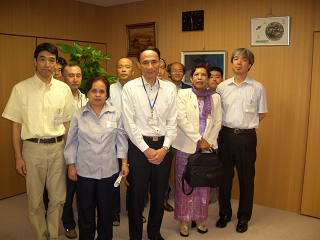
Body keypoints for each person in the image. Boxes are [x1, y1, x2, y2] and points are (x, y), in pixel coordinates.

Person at [2, 43, 76, 240]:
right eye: (42, 59)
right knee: (35, 201)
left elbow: (68, 124)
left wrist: (70, 157)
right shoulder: (21, 89)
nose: (47, 64)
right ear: (35, 61)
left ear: (56, 64)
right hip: (32, 149)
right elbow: (16, 125)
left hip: (58, 148)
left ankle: (52, 235)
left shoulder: (63, 90)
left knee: (59, 197)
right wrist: (18, 157)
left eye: (51, 60)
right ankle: (41, 236)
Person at [122, 46, 177, 240]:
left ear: (160, 63)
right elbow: (129, 124)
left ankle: (154, 233)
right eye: (145, 62)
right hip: (139, 148)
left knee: (159, 194)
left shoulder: (170, 88)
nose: (150, 66)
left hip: (163, 146)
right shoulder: (130, 88)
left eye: (154, 61)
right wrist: (146, 150)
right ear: (138, 65)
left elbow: (173, 122)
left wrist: (164, 148)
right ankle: (135, 235)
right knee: (136, 196)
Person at [64, 76, 129, 240]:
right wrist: (71, 165)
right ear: (88, 92)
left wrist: (124, 162)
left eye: (102, 91)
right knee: (85, 210)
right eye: (94, 91)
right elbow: (71, 142)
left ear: (107, 94)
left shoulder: (116, 114)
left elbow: (121, 140)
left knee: (106, 211)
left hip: (108, 171)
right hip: (84, 170)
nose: (98, 95)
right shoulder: (78, 115)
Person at [215, 48, 267, 233]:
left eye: (243, 60)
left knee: (246, 179)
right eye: (235, 59)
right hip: (226, 137)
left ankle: (244, 217)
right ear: (232, 63)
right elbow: (217, 113)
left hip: (246, 138)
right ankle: (225, 214)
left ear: (249, 64)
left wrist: (245, 126)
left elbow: (261, 113)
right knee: (224, 178)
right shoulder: (222, 87)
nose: (238, 62)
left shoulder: (257, 87)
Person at [172, 63, 222, 237]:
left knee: (203, 184)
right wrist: (199, 139)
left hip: (206, 148)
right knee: (184, 183)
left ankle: (199, 219)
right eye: (196, 75)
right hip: (187, 145)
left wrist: (207, 142)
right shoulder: (183, 94)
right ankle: (184, 220)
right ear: (191, 78)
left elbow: (217, 123)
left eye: (203, 75)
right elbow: (181, 119)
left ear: (208, 79)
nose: (200, 77)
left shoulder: (215, 97)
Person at [60, 63, 88, 238]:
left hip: (86, 152)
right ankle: (68, 223)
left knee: (84, 190)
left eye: (78, 75)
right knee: (67, 191)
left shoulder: (87, 97)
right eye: (71, 75)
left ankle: (86, 220)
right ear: (63, 77)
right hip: (66, 150)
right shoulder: (59, 99)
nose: (75, 79)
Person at [107, 57, 134, 227]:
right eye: (120, 67)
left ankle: (134, 211)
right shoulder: (108, 90)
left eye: (127, 67)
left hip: (136, 141)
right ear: (117, 70)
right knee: (114, 177)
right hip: (116, 140)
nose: (123, 69)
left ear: (133, 70)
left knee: (136, 179)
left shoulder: (138, 89)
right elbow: (108, 114)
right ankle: (114, 212)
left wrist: (133, 133)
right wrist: (120, 134)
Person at [156, 58, 175, 213]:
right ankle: (142, 202)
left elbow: (173, 117)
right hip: (145, 139)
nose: (159, 70)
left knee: (164, 174)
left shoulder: (170, 87)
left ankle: (163, 200)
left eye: (162, 67)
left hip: (166, 138)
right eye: (158, 67)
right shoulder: (137, 87)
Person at [207, 66, 224, 204]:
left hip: (226, 136)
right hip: (211, 138)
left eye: (217, 76)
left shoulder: (226, 93)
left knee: (221, 167)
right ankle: (209, 196)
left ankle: (221, 195)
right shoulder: (202, 95)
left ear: (222, 79)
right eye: (211, 76)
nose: (214, 79)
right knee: (210, 166)